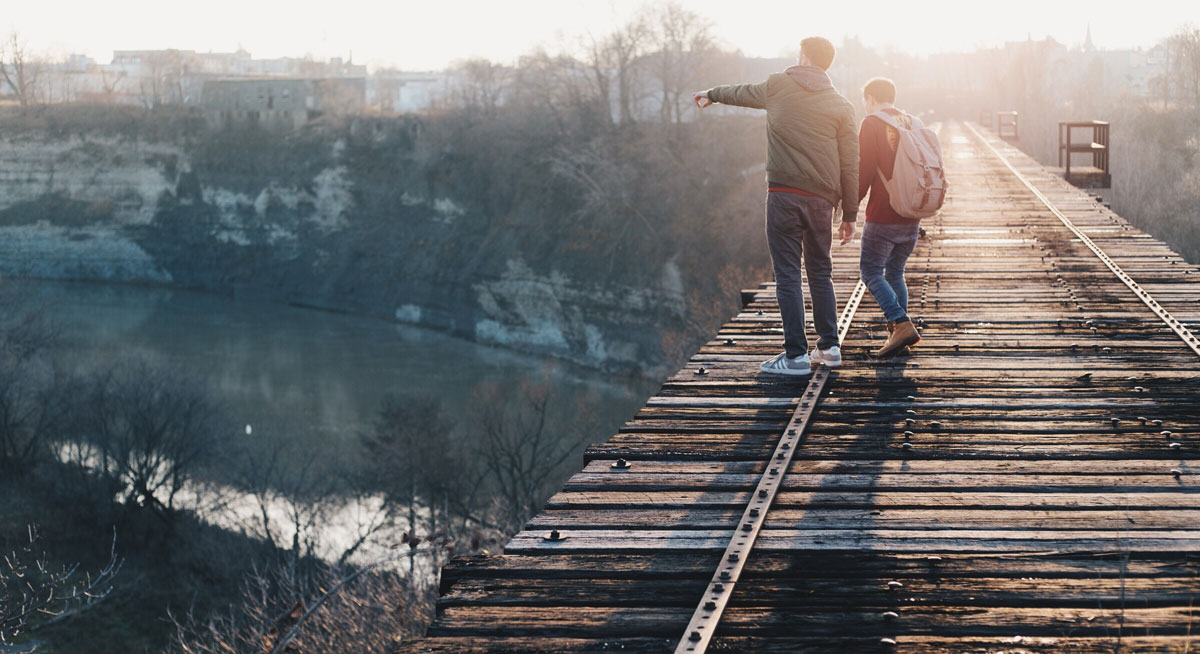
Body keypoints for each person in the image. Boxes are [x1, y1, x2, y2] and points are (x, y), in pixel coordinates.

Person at [693, 37, 859, 376]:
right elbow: (850, 163)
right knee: (820, 271)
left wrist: (711, 93)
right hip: (823, 200)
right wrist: (851, 215)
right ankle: (829, 348)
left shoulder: (778, 85)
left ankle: (795, 356)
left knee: (787, 274)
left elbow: (741, 92)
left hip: (784, 195)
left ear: (803, 56)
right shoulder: (841, 105)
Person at [857, 77, 923, 358]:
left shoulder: (871, 123)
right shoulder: (912, 122)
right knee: (895, 272)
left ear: (870, 98)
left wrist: (850, 208)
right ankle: (900, 336)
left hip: (883, 214)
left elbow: (864, 170)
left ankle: (900, 322)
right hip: (912, 213)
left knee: (870, 271)